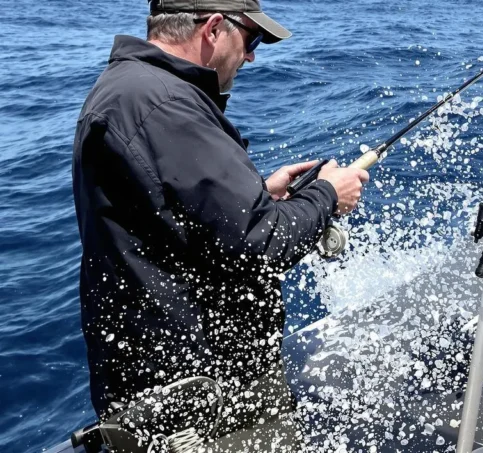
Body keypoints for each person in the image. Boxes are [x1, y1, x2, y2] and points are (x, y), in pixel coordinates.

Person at [71, 0, 368, 447]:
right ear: (213, 28)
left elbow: (165, 217)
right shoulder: (166, 104)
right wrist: (327, 194)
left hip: (167, 395)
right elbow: (262, 244)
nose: (251, 56)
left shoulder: (130, 90)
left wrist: (259, 197)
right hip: (202, 407)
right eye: (251, 39)